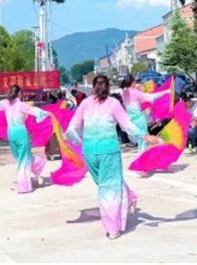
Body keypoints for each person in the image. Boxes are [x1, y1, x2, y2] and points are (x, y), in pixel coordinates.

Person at [65, 75, 160, 240]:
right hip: (106, 151)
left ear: (93, 87)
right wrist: (145, 136)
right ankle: (114, 224)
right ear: (108, 87)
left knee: (106, 186)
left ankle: (118, 215)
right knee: (108, 188)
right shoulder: (112, 103)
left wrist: (75, 139)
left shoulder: (86, 103)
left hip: (90, 152)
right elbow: (126, 124)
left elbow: (73, 126)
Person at [0, 85, 49, 193]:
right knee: (23, 158)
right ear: (19, 93)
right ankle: (35, 171)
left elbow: (0, 105)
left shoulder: (5, 103)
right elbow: (35, 111)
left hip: (12, 135)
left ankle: (24, 185)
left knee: (22, 159)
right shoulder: (21, 105)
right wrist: (47, 113)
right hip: (19, 134)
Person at [120, 74, 171, 156]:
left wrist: (137, 89)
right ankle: (142, 157)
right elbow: (151, 97)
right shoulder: (134, 92)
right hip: (139, 119)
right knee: (144, 141)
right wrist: (165, 92)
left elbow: (134, 97)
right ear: (133, 82)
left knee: (142, 141)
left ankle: (143, 157)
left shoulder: (123, 93)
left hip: (132, 121)